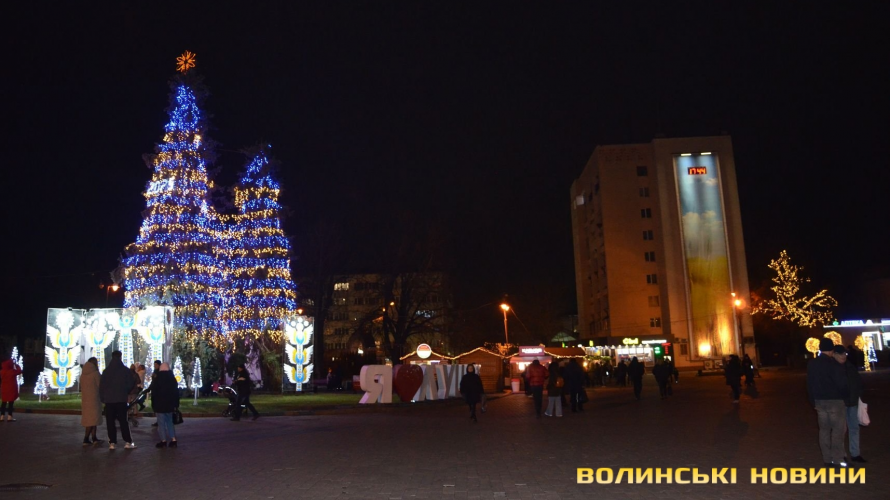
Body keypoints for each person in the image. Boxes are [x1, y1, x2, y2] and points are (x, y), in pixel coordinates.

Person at [807, 338, 849, 466]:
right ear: (831, 350)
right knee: (837, 431)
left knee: (824, 430)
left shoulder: (812, 364)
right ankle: (838, 458)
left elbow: (809, 384)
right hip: (835, 401)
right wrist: (845, 397)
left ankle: (827, 458)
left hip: (819, 401)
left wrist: (813, 400)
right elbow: (841, 383)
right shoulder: (833, 364)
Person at [833, 345, 865, 463]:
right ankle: (842, 454)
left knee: (854, 428)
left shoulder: (850, 367)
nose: (843, 356)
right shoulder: (833, 368)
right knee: (841, 429)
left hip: (852, 402)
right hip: (840, 403)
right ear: (834, 354)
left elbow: (858, 381)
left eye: (844, 354)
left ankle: (855, 453)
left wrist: (858, 393)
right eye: (840, 354)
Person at [100, 350, 137, 449]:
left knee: (110, 421)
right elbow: (130, 383)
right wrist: (125, 391)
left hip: (109, 400)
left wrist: (103, 397)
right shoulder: (125, 370)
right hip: (121, 399)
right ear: (120, 357)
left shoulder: (106, 371)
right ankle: (127, 441)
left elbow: (102, 386)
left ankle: (112, 442)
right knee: (123, 421)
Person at [151, 362, 180, 448]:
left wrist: (154, 404)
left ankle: (163, 441)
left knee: (161, 423)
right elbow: (176, 393)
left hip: (159, 404)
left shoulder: (157, 379)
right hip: (170, 404)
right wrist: (176, 404)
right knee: (169, 422)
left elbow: (154, 393)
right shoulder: (172, 379)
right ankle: (173, 439)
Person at [80, 358, 103, 445]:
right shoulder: (95, 374)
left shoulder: (83, 374)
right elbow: (100, 385)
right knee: (93, 419)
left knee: (90, 419)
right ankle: (86, 438)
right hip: (94, 399)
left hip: (86, 399)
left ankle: (94, 437)